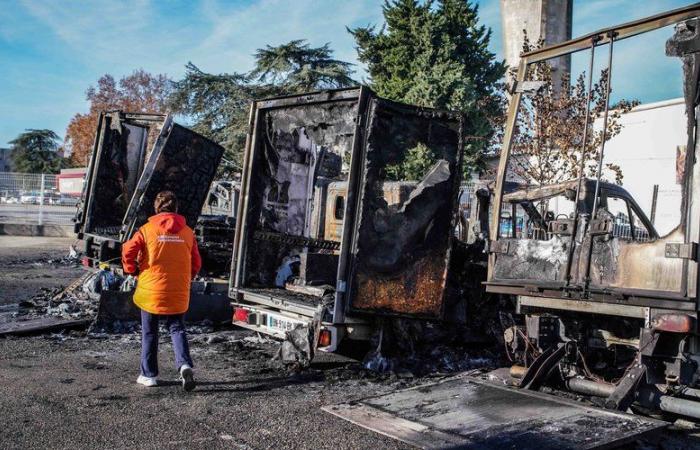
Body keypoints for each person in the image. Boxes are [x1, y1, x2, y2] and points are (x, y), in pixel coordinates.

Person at [121, 190, 202, 391]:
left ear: (157, 208)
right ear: (176, 209)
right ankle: (184, 365)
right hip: (177, 291)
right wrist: (187, 278)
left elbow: (128, 250)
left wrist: (132, 270)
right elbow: (197, 262)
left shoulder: (146, 230)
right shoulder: (188, 233)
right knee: (177, 329)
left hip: (151, 291)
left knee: (150, 332)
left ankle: (149, 375)